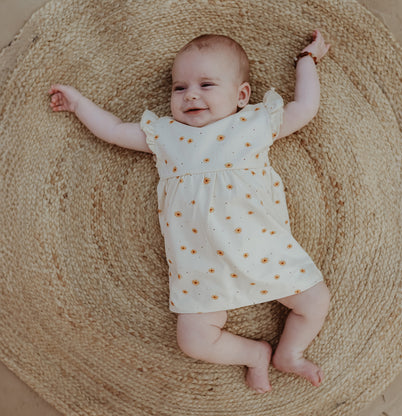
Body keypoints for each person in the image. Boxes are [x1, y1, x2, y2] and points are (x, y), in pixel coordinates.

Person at [49, 30, 331, 394]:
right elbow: (116, 130)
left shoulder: (254, 125)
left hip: (264, 250)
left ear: (242, 95)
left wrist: (306, 61)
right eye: (179, 88)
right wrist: (79, 104)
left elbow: (304, 108)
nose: (191, 95)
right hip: (202, 266)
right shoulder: (167, 135)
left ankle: (289, 354)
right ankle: (254, 353)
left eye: (206, 84)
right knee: (194, 341)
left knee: (315, 300)